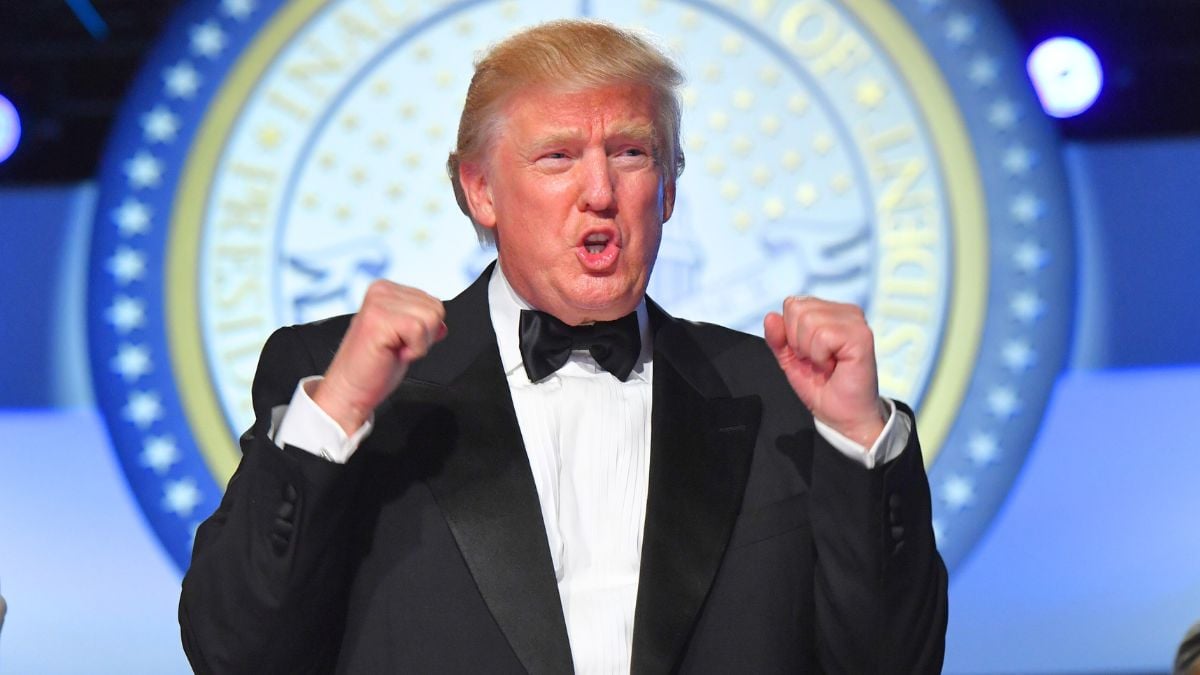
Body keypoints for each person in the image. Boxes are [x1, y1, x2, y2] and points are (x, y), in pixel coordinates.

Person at [179, 19, 947, 674]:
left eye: (631, 153)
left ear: (670, 188)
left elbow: (895, 662)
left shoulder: (784, 396)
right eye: (557, 157)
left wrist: (856, 439)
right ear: (480, 190)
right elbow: (236, 653)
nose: (601, 191)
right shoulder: (348, 387)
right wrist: (336, 413)